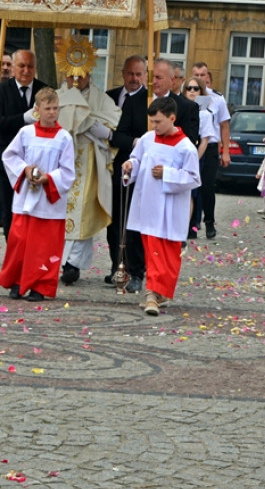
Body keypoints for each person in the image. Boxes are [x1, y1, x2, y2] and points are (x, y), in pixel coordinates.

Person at [121, 97, 201, 316]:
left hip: (172, 209)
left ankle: (161, 293)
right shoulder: (147, 139)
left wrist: (167, 173)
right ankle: (151, 294)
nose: (154, 126)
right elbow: (136, 161)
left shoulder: (186, 147)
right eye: (152, 122)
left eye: (158, 122)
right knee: (153, 250)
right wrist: (130, 166)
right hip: (149, 205)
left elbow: (194, 178)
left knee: (169, 254)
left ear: (172, 118)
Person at [0, 87, 75, 301]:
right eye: (47, 108)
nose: (52, 112)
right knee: (19, 242)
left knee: (43, 246)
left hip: (49, 202)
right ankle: (17, 282)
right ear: (37, 110)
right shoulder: (26, 132)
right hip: (25, 199)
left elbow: (68, 171)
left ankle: (40, 286)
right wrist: (26, 170)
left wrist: (48, 178)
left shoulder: (64, 138)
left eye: (55, 108)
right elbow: (9, 156)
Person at [55, 41, 119, 286]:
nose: (76, 79)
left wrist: (98, 130)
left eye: (81, 76)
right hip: (62, 161)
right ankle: (60, 262)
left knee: (82, 213)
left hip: (89, 160)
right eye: (72, 75)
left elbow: (112, 121)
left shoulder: (101, 99)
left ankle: (73, 265)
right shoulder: (57, 97)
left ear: (90, 73)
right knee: (61, 212)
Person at [0, 49, 49, 240]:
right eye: (21, 66)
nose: (26, 70)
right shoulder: (0, 91)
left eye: (30, 66)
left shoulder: (44, 90)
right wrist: (22, 119)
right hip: (10, 159)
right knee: (10, 209)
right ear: (14, 67)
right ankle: (13, 255)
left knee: (35, 210)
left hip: (38, 160)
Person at [105, 56, 149, 291]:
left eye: (139, 74)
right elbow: (118, 135)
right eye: (130, 74)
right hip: (109, 166)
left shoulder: (145, 100)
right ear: (123, 73)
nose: (134, 79)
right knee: (114, 221)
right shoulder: (110, 96)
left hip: (134, 169)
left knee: (132, 222)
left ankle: (133, 268)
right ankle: (116, 266)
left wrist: (137, 144)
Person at [182, 76, 218, 241]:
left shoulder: (204, 113)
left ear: (201, 91)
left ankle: (192, 226)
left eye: (195, 88)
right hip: (180, 153)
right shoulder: (180, 108)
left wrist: (195, 159)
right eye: (189, 88)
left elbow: (205, 140)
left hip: (197, 155)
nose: (192, 91)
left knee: (194, 192)